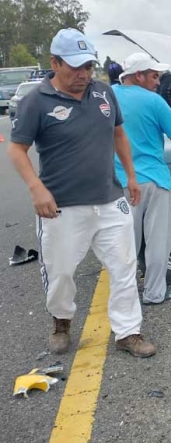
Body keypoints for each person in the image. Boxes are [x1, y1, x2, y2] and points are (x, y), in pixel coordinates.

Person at [7, 28, 156, 358]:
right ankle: (61, 321)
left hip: (109, 199)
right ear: (55, 63)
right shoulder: (36, 102)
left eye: (89, 66)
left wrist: (131, 176)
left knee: (124, 267)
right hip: (60, 208)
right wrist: (37, 189)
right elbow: (17, 150)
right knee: (60, 272)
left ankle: (128, 332)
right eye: (75, 67)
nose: (84, 74)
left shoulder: (103, 93)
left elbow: (119, 135)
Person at [113, 53, 171, 304]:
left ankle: (125, 295)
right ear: (138, 75)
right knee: (158, 240)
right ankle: (155, 293)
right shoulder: (153, 101)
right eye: (154, 76)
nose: (158, 82)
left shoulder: (108, 97)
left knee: (125, 243)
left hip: (120, 181)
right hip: (155, 180)